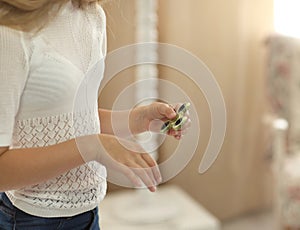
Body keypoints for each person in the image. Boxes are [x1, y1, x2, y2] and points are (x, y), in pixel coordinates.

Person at [0, 0, 190, 229]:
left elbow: (77, 120)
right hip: (28, 221)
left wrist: (138, 120)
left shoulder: (91, 15)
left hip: (89, 215)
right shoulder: (9, 32)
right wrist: (92, 147)